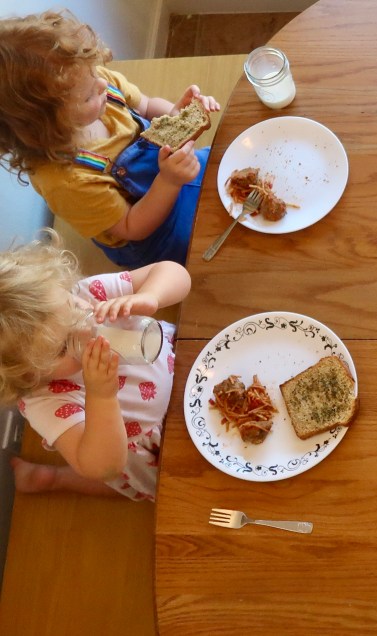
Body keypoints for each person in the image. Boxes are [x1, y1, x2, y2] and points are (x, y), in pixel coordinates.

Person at [0, 9, 221, 268]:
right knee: (200, 247)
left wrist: (175, 115)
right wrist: (169, 181)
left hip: (170, 173)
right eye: (87, 97)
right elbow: (131, 226)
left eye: (94, 73)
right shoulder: (66, 181)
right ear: (46, 125)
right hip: (151, 227)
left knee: (223, 163)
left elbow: (146, 105)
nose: (102, 85)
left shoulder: (96, 83)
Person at [0, 229, 191, 501]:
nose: (86, 331)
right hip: (154, 445)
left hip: (184, 362)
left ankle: (51, 477)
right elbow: (103, 466)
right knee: (128, 480)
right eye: (63, 347)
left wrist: (151, 295)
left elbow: (175, 273)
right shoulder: (45, 400)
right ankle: (56, 479)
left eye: (74, 309)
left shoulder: (91, 294)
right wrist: (101, 396)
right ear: (28, 376)